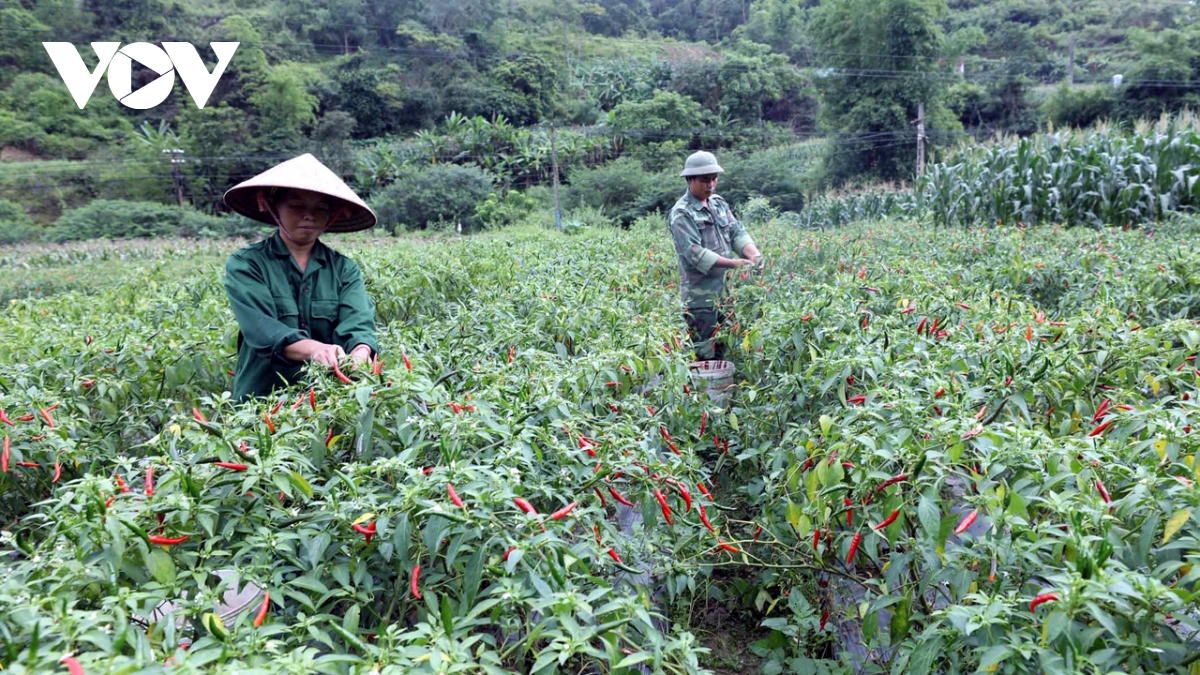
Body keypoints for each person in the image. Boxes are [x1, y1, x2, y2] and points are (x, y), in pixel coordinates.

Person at [221, 153, 380, 401]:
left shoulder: (344, 269)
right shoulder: (247, 264)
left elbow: (359, 323)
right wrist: (316, 349)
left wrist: (360, 353)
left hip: (329, 400)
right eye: (297, 206)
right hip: (261, 401)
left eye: (320, 208)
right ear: (273, 207)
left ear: (331, 215)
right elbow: (263, 331)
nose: (309, 215)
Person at [668, 151, 762, 361]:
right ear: (690, 180)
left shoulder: (718, 204)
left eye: (714, 179)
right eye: (704, 180)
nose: (710, 185)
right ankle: (703, 393)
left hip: (726, 293)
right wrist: (734, 264)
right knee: (704, 352)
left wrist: (753, 254)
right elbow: (695, 253)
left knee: (726, 346)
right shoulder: (682, 213)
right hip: (701, 298)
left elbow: (736, 231)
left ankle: (721, 389)